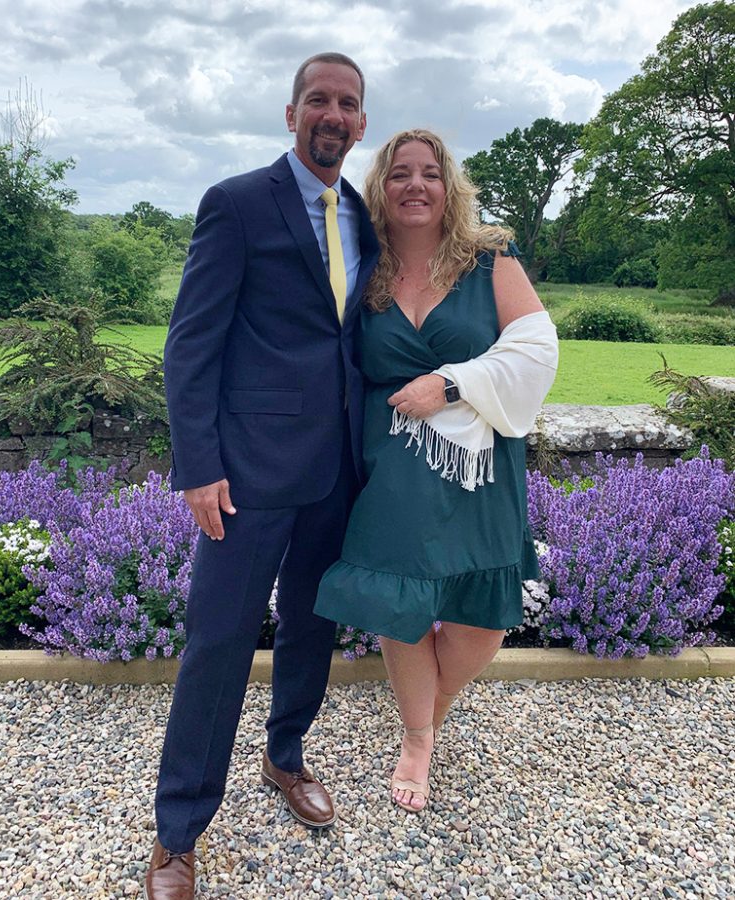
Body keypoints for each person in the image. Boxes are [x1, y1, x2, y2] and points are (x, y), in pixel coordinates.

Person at [146, 53, 379, 899]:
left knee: (311, 627)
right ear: (291, 114)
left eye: (346, 103)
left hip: (337, 470)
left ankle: (285, 757)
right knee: (218, 643)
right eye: (317, 99)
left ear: (361, 123)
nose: (332, 114)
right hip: (247, 474)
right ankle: (177, 833)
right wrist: (199, 467)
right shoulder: (238, 202)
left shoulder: (361, 213)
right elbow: (191, 343)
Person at [314, 129, 558, 813]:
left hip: (480, 468)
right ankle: (417, 738)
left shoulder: (489, 258)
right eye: (400, 173)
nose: (415, 185)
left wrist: (449, 384)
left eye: (429, 173)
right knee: (403, 608)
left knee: (481, 624)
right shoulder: (362, 266)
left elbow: (536, 348)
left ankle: (431, 707)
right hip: (391, 463)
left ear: (449, 187)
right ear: (380, 187)